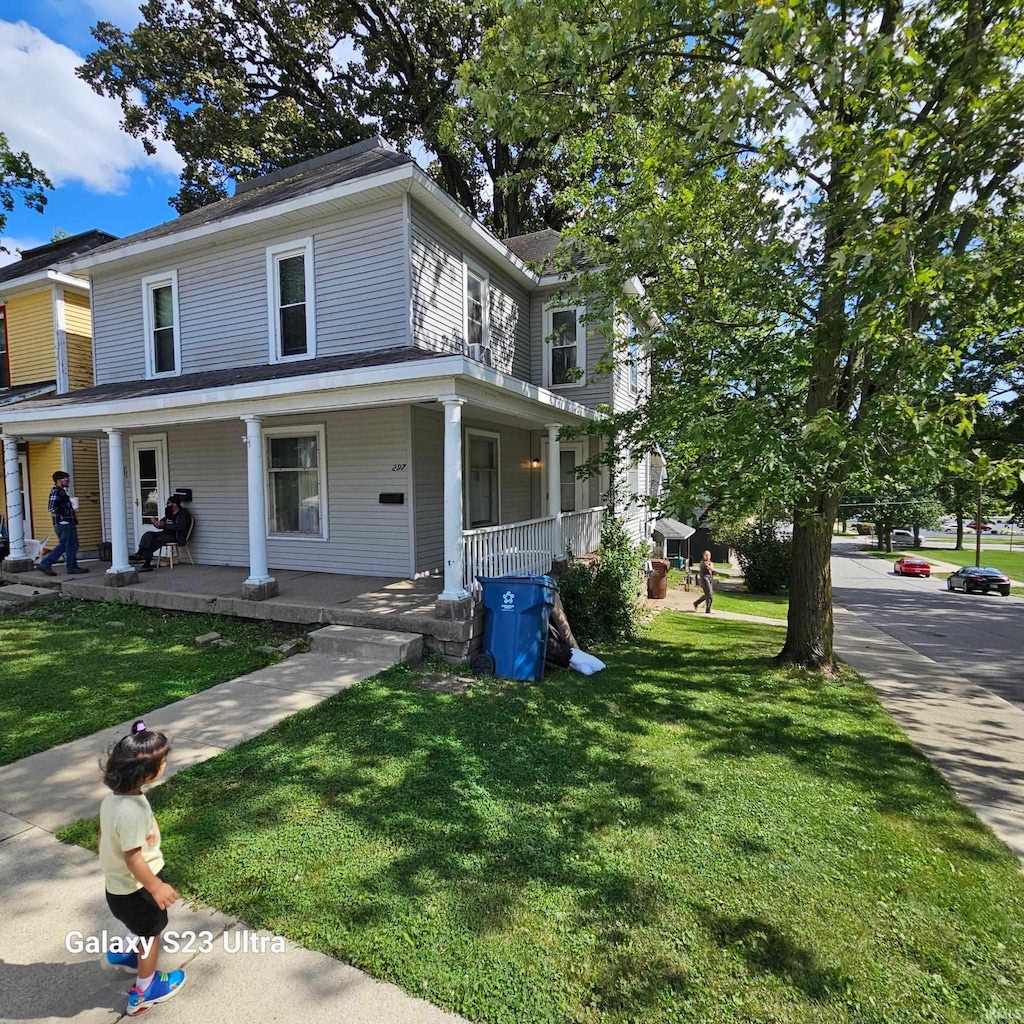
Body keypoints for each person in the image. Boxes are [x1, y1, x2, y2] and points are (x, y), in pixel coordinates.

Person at [98, 720, 187, 1016]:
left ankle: (126, 952)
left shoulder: (114, 800)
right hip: (139, 887)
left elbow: (105, 836)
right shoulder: (132, 810)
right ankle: (145, 990)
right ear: (147, 773)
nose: (164, 764)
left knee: (136, 923)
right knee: (151, 934)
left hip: (118, 887)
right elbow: (134, 858)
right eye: (162, 762)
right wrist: (156, 886)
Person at [37, 471, 88, 576]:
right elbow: (52, 508)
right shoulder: (56, 491)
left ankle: (71, 566)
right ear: (59, 481)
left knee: (70, 545)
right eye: (66, 480)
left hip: (66, 522)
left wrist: (71, 510)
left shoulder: (61, 491)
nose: (68, 482)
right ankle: (47, 563)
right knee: (67, 545)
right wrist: (69, 511)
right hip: (64, 523)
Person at [129, 497, 192, 572]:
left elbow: (181, 527)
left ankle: (146, 563)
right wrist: (156, 523)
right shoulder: (170, 514)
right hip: (165, 534)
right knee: (148, 535)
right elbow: (161, 524)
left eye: (169, 503)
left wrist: (164, 525)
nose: (167, 505)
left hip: (176, 536)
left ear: (175, 504)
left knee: (155, 541)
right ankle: (140, 553)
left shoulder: (183, 514)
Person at [693, 549, 714, 613]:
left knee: (707, 594)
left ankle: (696, 603)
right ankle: (708, 609)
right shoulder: (704, 563)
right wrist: (711, 564)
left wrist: (711, 563)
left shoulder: (708, 562)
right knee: (709, 594)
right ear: (704, 556)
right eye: (706, 555)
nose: (708, 557)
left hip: (709, 579)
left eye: (709, 555)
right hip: (705, 580)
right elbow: (711, 568)